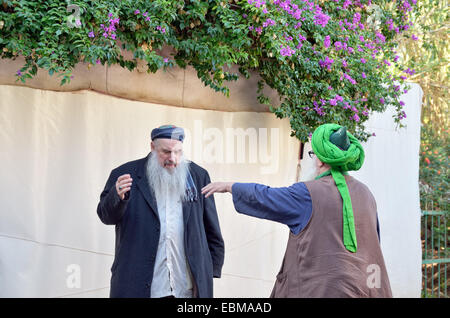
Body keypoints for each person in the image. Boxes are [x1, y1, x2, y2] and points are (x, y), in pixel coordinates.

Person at [202, 123, 392, 298]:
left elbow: (267, 197)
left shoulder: (308, 193)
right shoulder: (366, 193)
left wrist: (230, 186)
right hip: (366, 289)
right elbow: (374, 243)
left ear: (319, 161)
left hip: (320, 291)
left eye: (313, 154)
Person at [97, 125, 224, 298]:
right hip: (141, 285)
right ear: (152, 147)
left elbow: (211, 229)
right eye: (165, 151)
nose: (173, 158)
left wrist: (207, 273)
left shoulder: (198, 176)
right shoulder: (126, 174)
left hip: (186, 287)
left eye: (178, 152)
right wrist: (116, 197)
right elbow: (106, 216)